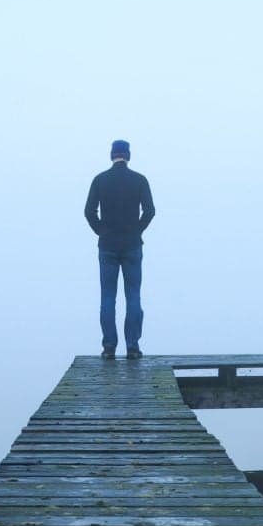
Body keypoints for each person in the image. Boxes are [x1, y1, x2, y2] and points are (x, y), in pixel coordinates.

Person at [83, 139, 155, 360]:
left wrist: (102, 232)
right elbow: (150, 211)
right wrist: (137, 231)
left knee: (108, 298)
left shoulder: (100, 180)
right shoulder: (140, 180)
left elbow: (89, 212)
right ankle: (132, 347)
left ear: (112, 155)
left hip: (107, 246)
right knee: (133, 296)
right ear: (128, 155)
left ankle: (109, 348)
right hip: (132, 246)